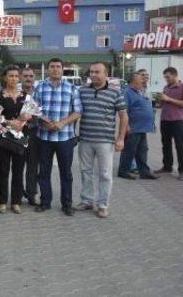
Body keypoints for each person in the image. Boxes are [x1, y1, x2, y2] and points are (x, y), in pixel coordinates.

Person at [76, 62, 128, 219]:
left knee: (105, 174)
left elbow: (123, 116)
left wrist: (120, 139)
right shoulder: (82, 91)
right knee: (86, 172)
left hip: (105, 141)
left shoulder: (115, 93)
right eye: (91, 72)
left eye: (97, 72)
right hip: (85, 139)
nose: (93, 75)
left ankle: (103, 205)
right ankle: (86, 200)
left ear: (106, 74)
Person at [33, 58, 82, 216]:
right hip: (44, 138)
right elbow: (33, 109)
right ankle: (45, 201)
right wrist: (45, 121)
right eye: (52, 67)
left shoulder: (72, 89)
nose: (55, 69)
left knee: (66, 173)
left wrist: (62, 123)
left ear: (62, 69)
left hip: (65, 138)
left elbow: (78, 111)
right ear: (48, 69)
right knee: (44, 172)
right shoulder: (39, 88)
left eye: (58, 67)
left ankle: (67, 204)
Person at [0, 65, 29, 214]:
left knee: (19, 171)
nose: (13, 78)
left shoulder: (25, 95)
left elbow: (31, 112)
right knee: (3, 170)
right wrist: (9, 122)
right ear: (5, 78)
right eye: (10, 76)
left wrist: (24, 121)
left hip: (21, 137)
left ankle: (16, 201)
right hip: (3, 138)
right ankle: (2, 202)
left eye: (16, 76)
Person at [118, 72, 158, 180]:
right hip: (133, 128)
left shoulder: (139, 92)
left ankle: (144, 172)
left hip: (141, 128)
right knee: (129, 150)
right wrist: (126, 126)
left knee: (142, 150)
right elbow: (124, 111)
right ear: (133, 81)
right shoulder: (127, 93)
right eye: (140, 80)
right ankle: (123, 171)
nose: (142, 82)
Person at [154, 67, 183, 179]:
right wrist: (159, 100)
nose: (166, 79)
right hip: (165, 120)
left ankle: (182, 171)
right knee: (165, 145)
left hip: (178, 121)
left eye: (168, 77)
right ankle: (167, 166)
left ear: (175, 75)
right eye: (165, 77)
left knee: (180, 146)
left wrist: (169, 99)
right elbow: (161, 105)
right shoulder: (166, 87)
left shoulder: (181, 87)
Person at [21, 67, 40, 206]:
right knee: (17, 165)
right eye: (26, 76)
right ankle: (18, 192)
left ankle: (32, 193)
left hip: (34, 133)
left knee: (33, 165)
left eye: (31, 76)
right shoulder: (16, 93)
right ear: (21, 77)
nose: (28, 78)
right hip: (18, 133)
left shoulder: (39, 93)